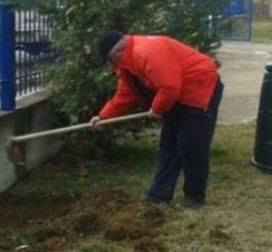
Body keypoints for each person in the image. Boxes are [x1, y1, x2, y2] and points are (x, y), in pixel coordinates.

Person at [90, 31, 223, 209]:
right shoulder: (127, 65)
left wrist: (158, 108)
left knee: (190, 145)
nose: (110, 66)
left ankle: (194, 198)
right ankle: (159, 195)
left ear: (117, 52)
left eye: (109, 61)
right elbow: (125, 94)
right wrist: (103, 117)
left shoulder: (146, 52)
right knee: (169, 143)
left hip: (200, 88)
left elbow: (170, 86)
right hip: (177, 95)